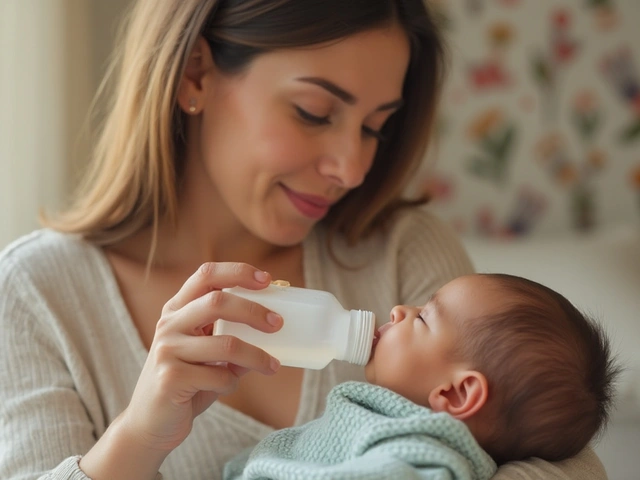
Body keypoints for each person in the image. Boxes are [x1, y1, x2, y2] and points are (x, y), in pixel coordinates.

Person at [0, 1, 608, 479]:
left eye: (376, 127)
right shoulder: (38, 294)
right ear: (194, 76)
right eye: (315, 112)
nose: (352, 168)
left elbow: (565, 463)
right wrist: (137, 438)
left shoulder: (400, 250)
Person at [224, 273, 620, 480]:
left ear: (455, 393)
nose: (398, 310)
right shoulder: (390, 424)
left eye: (425, 317)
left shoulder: (420, 455)